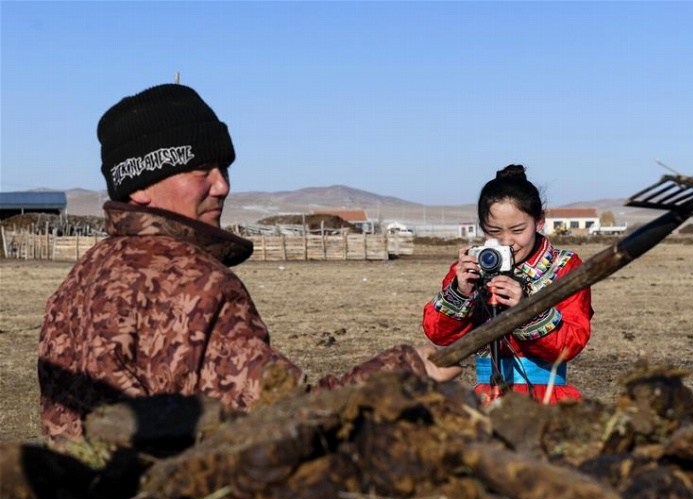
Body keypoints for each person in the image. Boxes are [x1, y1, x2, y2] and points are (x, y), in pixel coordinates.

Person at [38, 83, 459, 441]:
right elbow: (283, 419)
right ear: (141, 184)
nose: (222, 185)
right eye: (201, 169)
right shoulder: (192, 283)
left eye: (224, 167)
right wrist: (405, 370)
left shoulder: (80, 280)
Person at [422, 164, 593, 405]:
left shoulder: (564, 267)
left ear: (539, 220)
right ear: (482, 226)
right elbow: (439, 335)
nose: (506, 241)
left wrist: (527, 310)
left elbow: (570, 344)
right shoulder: (472, 265)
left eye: (518, 230)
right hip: (487, 397)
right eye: (494, 231)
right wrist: (460, 292)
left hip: (547, 400)